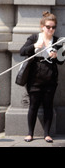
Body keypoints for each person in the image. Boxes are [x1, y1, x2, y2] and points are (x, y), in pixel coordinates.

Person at [20, 11, 64, 143]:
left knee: (48, 105)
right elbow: (22, 51)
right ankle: (30, 133)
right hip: (34, 76)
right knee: (33, 105)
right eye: (48, 27)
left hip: (50, 76)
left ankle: (47, 134)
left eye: (53, 27)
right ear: (42, 26)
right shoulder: (34, 38)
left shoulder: (57, 41)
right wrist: (34, 46)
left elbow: (61, 60)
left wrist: (57, 57)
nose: (51, 30)